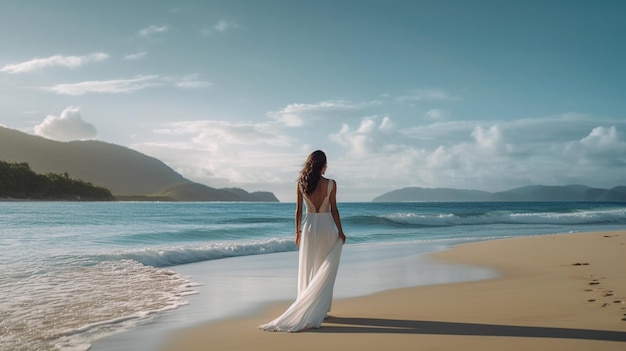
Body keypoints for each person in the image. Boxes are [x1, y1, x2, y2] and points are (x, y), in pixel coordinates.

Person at [259, 150, 346, 332]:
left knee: (308, 267)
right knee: (324, 266)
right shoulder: (331, 184)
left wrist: (297, 231)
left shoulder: (301, 184)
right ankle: (320, 309)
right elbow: (334, 210)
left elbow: (298, 211)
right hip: (326, 228)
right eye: (326, 163)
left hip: (308, 228)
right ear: (323, 164)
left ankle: (308, 305)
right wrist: (341, 231)